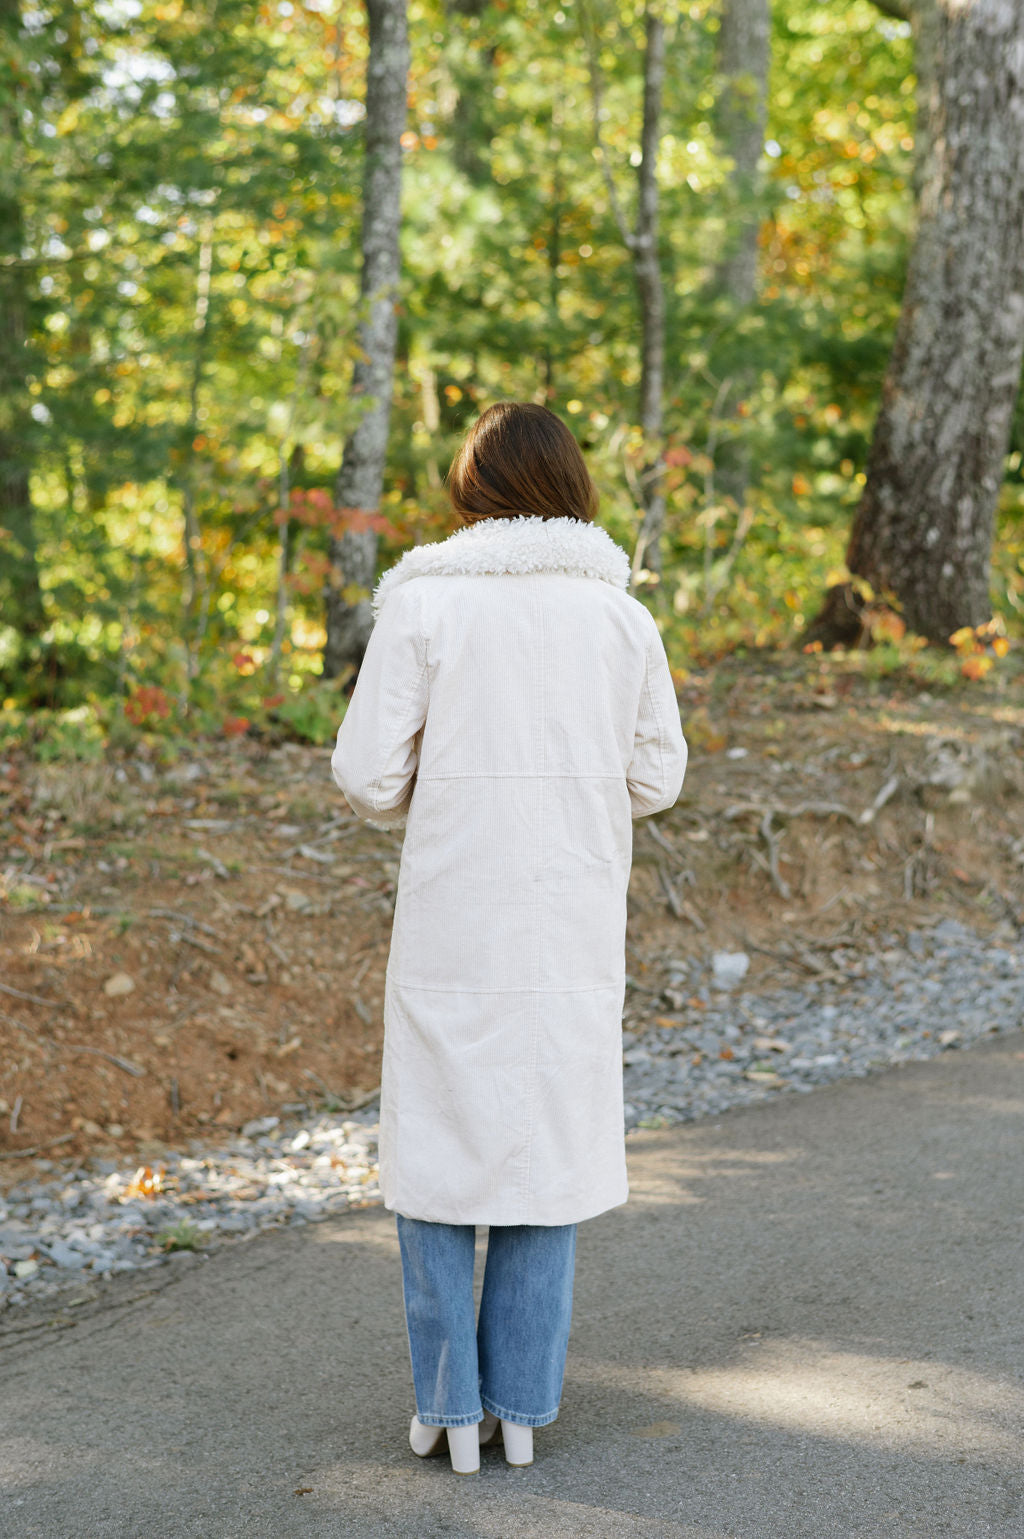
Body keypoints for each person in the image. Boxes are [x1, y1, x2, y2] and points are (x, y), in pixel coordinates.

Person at [331, 401, 688, 1475]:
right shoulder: (620, 620)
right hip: (570, 915)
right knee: (548, 1145)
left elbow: (364, 773)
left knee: (440, 1147)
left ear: (470, 490)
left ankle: (446, 1408)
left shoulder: (427, 606)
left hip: (454, 911)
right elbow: (657, 777)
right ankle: (523, 1407)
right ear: (573, 488)